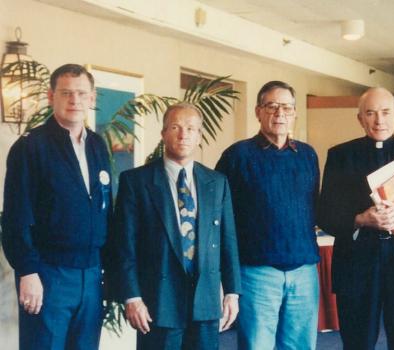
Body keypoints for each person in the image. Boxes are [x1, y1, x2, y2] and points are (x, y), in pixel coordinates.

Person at [318, 87, 394, 350]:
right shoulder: (340, 156)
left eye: (385, 112)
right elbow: (325, 213)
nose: (379, 120)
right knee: (357, 344)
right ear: (360, 118)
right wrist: (361, 219)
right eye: (370, 113)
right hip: (356, 267)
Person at [1, 63, 113, 349]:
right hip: (49, 274)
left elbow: (104, 208)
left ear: (92, 98)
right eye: (66, 93)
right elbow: (16, 217)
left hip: (91, 274)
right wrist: (27, 272)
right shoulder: (30, 147)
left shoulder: (98, 145)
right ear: (51, 97)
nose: (74, 100)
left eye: (81, 93)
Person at [114, 103, 241, 350]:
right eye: (176, 127)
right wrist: (132, 297)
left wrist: (232, 292)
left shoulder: (217, 182)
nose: (184, 135)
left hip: (204, 302)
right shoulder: (136, 182)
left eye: (191, 129)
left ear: (199, 136)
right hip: (157, 303)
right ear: (163, 134)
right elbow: (124, 246)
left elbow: (229, 240)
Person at [215, 81, 320, 350]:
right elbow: (221, 218)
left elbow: (312, 207)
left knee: (300, 346)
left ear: (295, 112)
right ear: (258, 112)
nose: (280, 114)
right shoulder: (237, 156)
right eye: (272, 107)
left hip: (304, 271)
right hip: (256, 272)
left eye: (286, 107)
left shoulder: (308, 155)